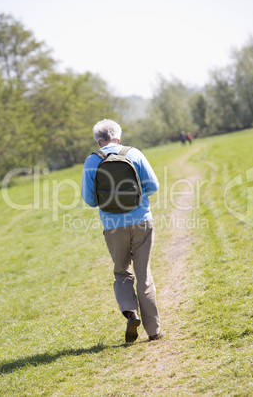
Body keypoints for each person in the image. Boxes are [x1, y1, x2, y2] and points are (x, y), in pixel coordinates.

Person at [81, 119, 163, 343]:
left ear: (99, 141)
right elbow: (153, 186)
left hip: (113, 226)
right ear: (119, 136)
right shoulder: (133, 153)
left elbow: (89, 200)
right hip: (141, 222)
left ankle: (131, 313)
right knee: (144, 276)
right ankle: (154, 331)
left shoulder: (91, 160)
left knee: (122, 273)